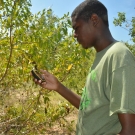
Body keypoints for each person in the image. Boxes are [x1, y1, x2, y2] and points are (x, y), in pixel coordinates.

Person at [34, 0, 135, 134]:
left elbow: (130, 129)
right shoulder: (101, 56)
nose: (74, 34)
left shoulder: (118, 55)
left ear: (94, 20)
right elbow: (89, 107)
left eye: (77, 28)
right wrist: (58, 87)